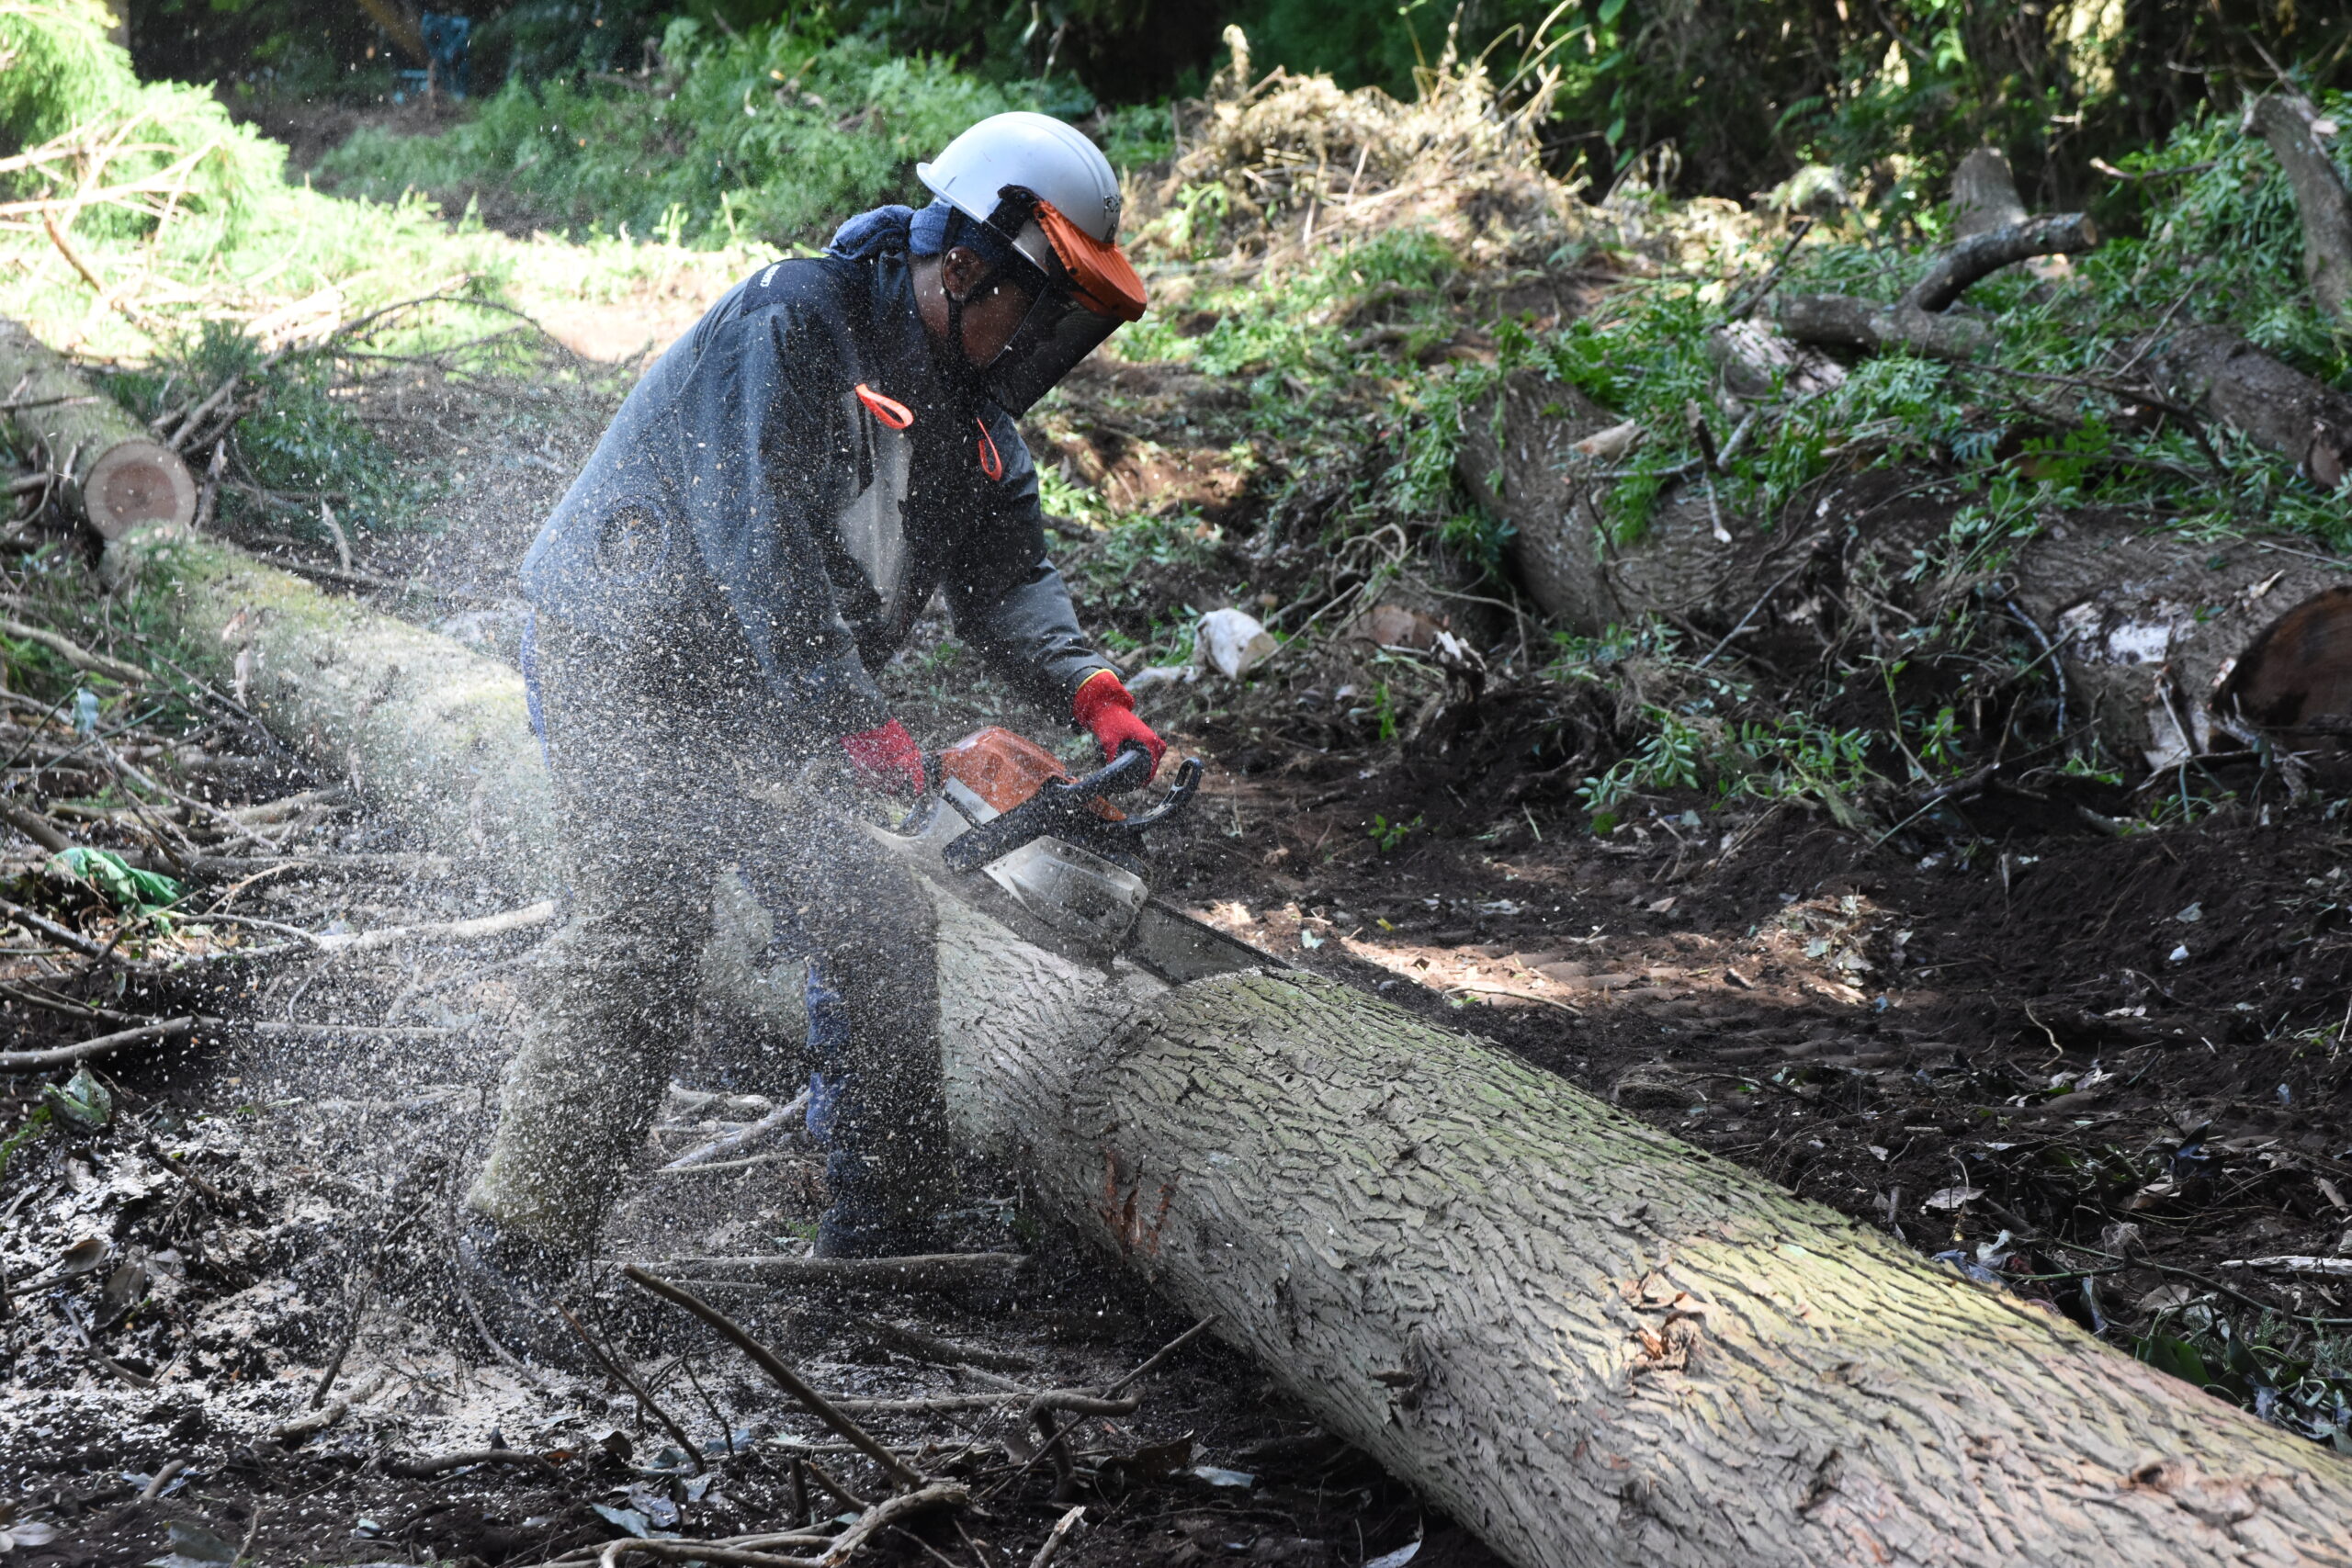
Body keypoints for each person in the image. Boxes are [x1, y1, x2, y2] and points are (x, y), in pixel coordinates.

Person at [457, 112, 1165, 1360]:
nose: (1038, 339)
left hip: (766, 695)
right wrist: (859, 724)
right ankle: (515, 1244)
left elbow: (1010, 581)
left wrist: (1092, 690)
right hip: (624, 657)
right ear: (969, 264)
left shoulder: (982, 422)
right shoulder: (799, 321)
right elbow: (761, 545)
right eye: (1031, 307)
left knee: (878, 920)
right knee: (644, 929)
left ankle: (885, 1233)